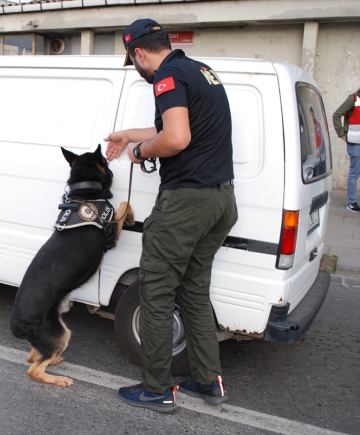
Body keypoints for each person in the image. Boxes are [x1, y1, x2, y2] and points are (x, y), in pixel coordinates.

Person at [104, 19, 238, 413]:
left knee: (157, 292)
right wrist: (129, 134)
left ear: (139, 53)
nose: (140, 72)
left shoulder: (165, 78)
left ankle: (157, 388)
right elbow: (174, 125)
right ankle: (208, 381)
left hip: (186, 203)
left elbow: (176, 138)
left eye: (135, 63)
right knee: (194, 291)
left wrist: (141, 151)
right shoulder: (198, 71)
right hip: (221, 201)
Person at [333, 88, 360, 213]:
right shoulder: (354, 99)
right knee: (355, 173)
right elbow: (337, 115)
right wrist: (342, 134)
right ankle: (352, 203)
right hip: (356, 144)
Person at [310, 107, 327, 177]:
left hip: (320, 156)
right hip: (318, 156)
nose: (312, 118)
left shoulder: (318, 125)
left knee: (319, 175)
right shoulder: (314, 126)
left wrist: (320, 151)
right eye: (311, 116)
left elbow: (322, 139)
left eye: (312, 116)